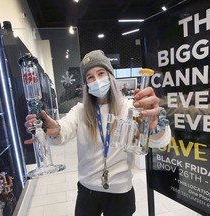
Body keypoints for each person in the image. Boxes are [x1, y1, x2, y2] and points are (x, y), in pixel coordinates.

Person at [24, 50, 171, 216]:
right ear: (86, 84)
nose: (97, 80)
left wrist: (155, 126)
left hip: (120, 191)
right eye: (90, 77)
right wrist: (53, 129)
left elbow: (160, 142)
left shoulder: (132, 108)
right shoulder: (80, 111)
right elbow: (63, 129)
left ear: (110, 75)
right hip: (88, 190)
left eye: (101, 73)